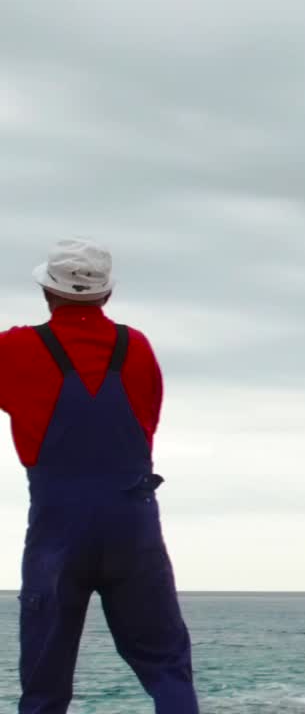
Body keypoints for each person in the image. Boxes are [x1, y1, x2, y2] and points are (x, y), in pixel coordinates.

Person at [0, 239, 198, 713]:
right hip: (132, 521)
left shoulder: (15, 350)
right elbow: (148, 419)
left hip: (58, 526)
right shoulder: (137, 347)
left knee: (45, 680)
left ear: (47, 291)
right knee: (166, 665)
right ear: (106, 294)